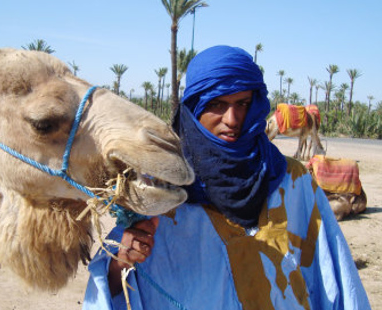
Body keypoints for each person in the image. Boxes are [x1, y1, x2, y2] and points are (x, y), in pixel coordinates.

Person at [83, 45, 371, 310]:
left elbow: (337, 280)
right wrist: (120, 262)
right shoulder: (161, 188)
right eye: (217, 104)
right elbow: (110, 286)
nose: (233, 119)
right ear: (194, 109)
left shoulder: (291, 180)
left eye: (243, 103)